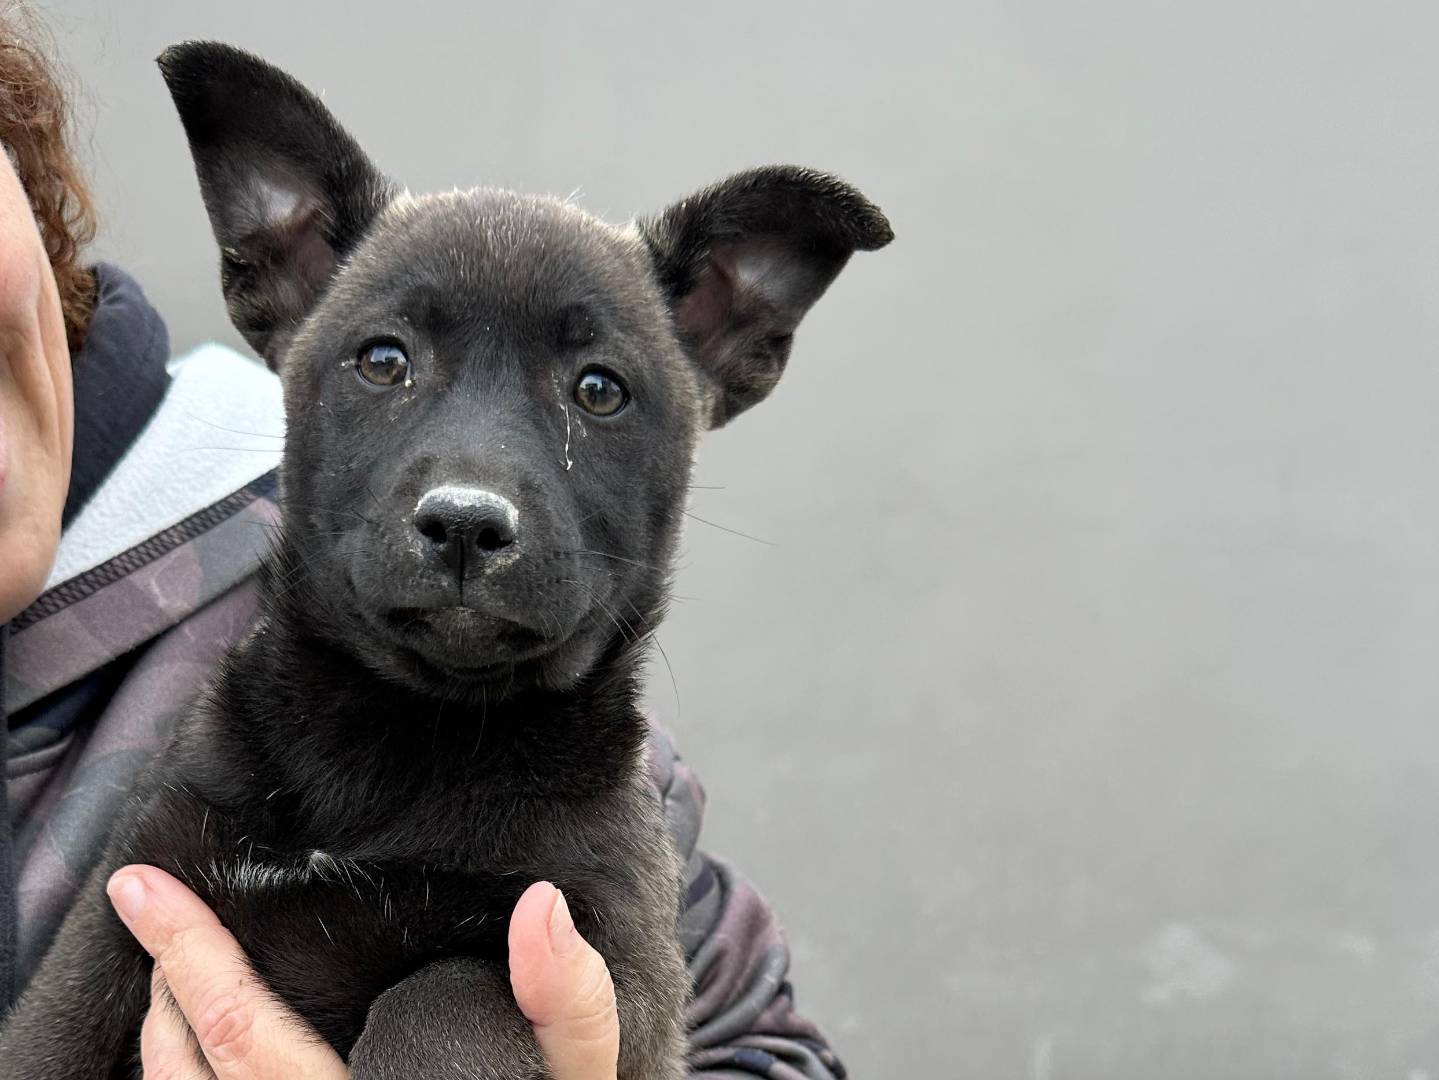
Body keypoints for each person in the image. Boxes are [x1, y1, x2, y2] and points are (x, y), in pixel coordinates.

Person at [0, 13, 844, 1080]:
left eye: (596, 388)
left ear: (726, 338)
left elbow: (761, 1054)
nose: (470, 494)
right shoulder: (224, 762)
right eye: (387, 360)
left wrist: (464, 1026)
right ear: (283, 280)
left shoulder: (609, 814)